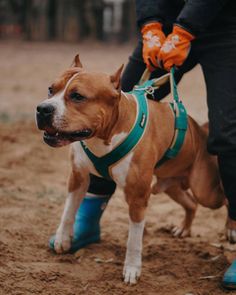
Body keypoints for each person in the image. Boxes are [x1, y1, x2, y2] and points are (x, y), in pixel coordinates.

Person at [50, 0, 236, 289]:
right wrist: (150, 25)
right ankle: (88, 216)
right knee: (114, 107)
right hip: (164, 28)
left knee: (227, 131)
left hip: (225, 26)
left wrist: (185, 30)